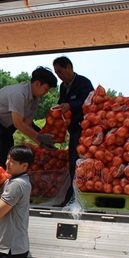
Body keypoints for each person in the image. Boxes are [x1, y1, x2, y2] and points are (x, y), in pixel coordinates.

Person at [0, 66, 58, 169]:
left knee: (7, 153)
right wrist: (39, 137)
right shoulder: (18, 94)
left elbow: (27, 125)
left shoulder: (35, 101)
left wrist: (41, 143)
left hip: (5, 123)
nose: (46, 93)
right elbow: (18, 124)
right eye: (46, 89)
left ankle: (2, 180)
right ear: (37, 84)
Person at [52, 56, 94, 204]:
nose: (59, 75)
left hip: (85, 132)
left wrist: (71, 105)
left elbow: (89, 102)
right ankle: (71, 197)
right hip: (72, 130)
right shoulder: (63, 87)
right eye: (57, 73)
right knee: (72, 163)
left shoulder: (84, 83)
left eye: (60, 71)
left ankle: (78, 198)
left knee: (80, 163)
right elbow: (62, 103)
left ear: (69, 67)